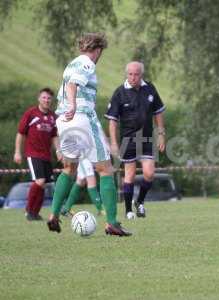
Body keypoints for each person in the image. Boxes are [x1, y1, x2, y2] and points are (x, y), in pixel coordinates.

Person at [47, 32, 131, 236]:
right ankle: (112, 223)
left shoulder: (71, 63)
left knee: (69, 168)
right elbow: (72, 84)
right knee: (105, 169)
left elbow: (67, 83)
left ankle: (54, 215)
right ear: (98, 50)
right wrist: (74, 105)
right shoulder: (87, 63)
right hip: (81, 118)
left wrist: (69, 107)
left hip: (63, 121)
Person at [105, 61, 166, 219]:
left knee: (149, 173)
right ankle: (128, 211)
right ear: (127, 74)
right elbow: (112, 120)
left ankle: (139, 202)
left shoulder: (150, 89)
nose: (133, 77)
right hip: (128, 139)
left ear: (141, 74)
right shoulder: (120, 92)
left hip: (146, 139)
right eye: (130, 74)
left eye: (136, 74)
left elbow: (158, 112)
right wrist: (113, 142)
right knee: (129, 175)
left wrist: (161, 134)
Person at [14, 87, 61, 221]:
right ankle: (29, 210)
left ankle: (35, 213)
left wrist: (58, 151)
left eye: (49, 98)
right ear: (39, 99)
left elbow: (54, 136)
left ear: (51, 100)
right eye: (44, 97)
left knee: (44, 183)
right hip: (33, 154)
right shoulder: (31, 113)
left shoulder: (53, 117)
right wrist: (17, 152)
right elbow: (20, 133)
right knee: (39, 181)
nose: (46, 100)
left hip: (46, 155)